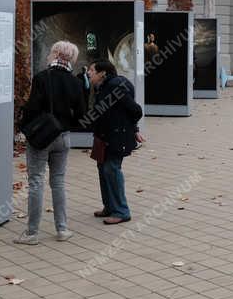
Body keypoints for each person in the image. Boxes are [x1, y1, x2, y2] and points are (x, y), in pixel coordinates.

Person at [15, 41, 86, 244]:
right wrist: (64, 122)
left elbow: (32, 108)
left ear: (54, 54)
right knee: (58, 182)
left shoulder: (41, 78)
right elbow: (81, 114)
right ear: (70, 59)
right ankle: (62, 229)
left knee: (36, 182)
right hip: (63, 137)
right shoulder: (75, 82)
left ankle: (31, 234)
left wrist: (25, 128)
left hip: (41, 138)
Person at [86, 60, 143, 224]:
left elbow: (135, 110)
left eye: (91, 70)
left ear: (102, 73)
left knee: (111, 170)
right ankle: (110, 207)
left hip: (116, 137)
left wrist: (133, 129)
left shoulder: (115, 86)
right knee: (103, 169)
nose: (89, 73)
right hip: (104, 136)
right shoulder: (103, 86)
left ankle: (121, 211)